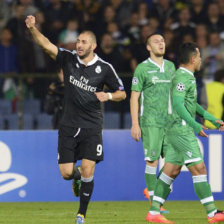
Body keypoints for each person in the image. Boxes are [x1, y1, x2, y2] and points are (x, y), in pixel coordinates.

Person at [25, 15, 126, 224]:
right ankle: (76, 177)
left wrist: (107, 95)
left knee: (90, 169)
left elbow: (122, 93)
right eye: (78, 41)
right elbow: (47, 46)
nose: (79, 45)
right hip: (69, 125)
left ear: (93, 46)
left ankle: (81, 214)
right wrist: (33, 29)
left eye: (83, 42)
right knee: (66, 173)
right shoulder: (68, 59)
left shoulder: (105, 68)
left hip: (92, 126)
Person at [146, 42, 224, 223]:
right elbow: (179, 105)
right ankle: (212, 213)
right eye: (199, 56)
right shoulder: (182, 77)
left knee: (171, 170)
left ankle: (154, 211)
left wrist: (211, 118)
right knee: (199, 168)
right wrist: (196, 125)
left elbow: (191, 103)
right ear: (192, 59)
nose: (201, 59)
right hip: (181, 129)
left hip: (176, 129)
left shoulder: (186, 76)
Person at [130, 33, 176, 213]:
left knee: (174, 161)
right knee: (152, 161)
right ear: (149, 47)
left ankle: (153, 192)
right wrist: (135, 123)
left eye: (163, 40)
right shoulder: (142, 68)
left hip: (170, 122)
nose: (161, 43)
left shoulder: (171, 67)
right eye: (156, 41)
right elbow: (134, 97)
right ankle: (155, 205)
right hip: (151, 122)